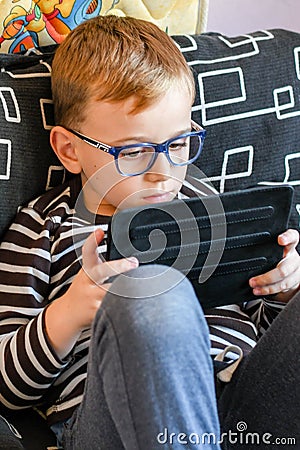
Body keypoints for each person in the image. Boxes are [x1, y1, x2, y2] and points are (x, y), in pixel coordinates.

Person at [0, 15, 299, 450]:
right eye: (135, 151)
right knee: (151, 291)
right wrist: (70, 312)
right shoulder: (42, 228)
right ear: (69, 149)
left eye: (177, 145)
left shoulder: (200, 198)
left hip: (242, 412)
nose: (164, 174)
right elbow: (7, 387)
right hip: (127, 425)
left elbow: (260, 327)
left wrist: (282, 290)